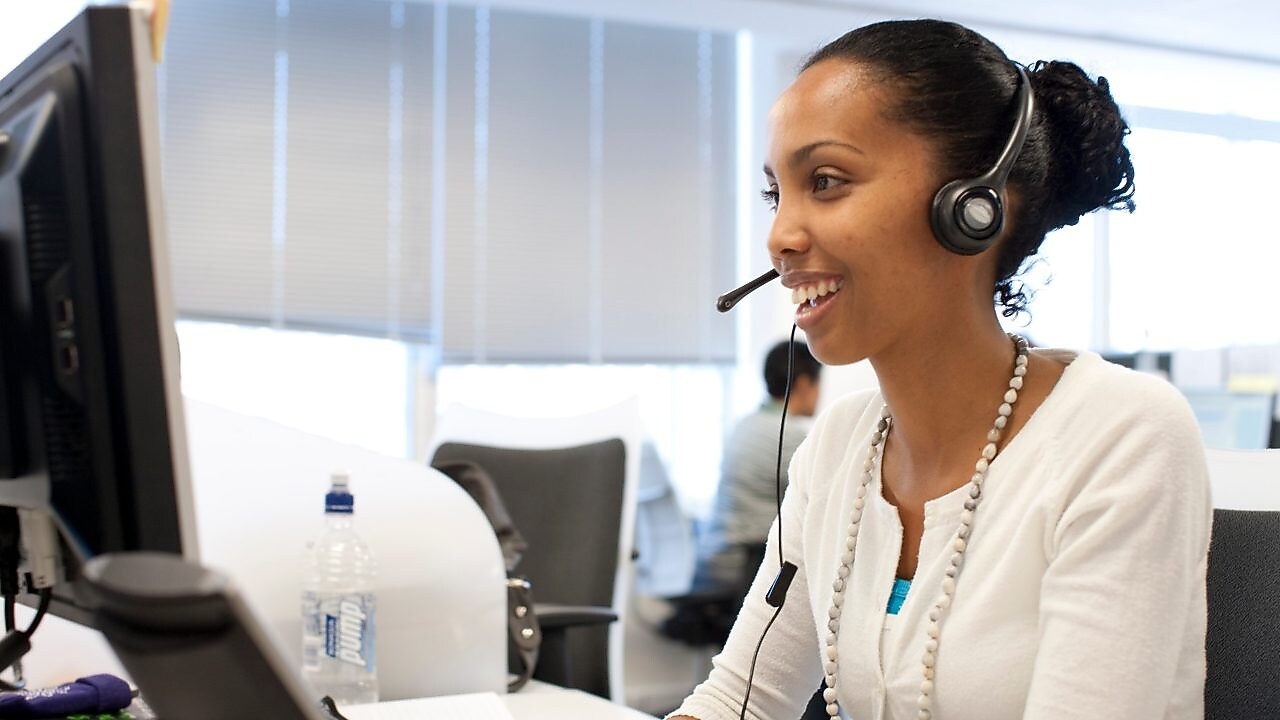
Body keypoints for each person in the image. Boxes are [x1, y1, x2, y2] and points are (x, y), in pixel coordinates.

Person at [669, 18, 1210, 720]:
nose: (780, 237)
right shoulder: (837, 450)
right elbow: (737, 703)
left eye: (826, 181)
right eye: (779, 194)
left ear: (974, 207)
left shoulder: (1119, 435)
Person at [661, 340, 821, 647]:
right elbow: (825, 504)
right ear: (803, 383)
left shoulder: (745, 426)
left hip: (715, 559)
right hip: (741, 566)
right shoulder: (792, 437)